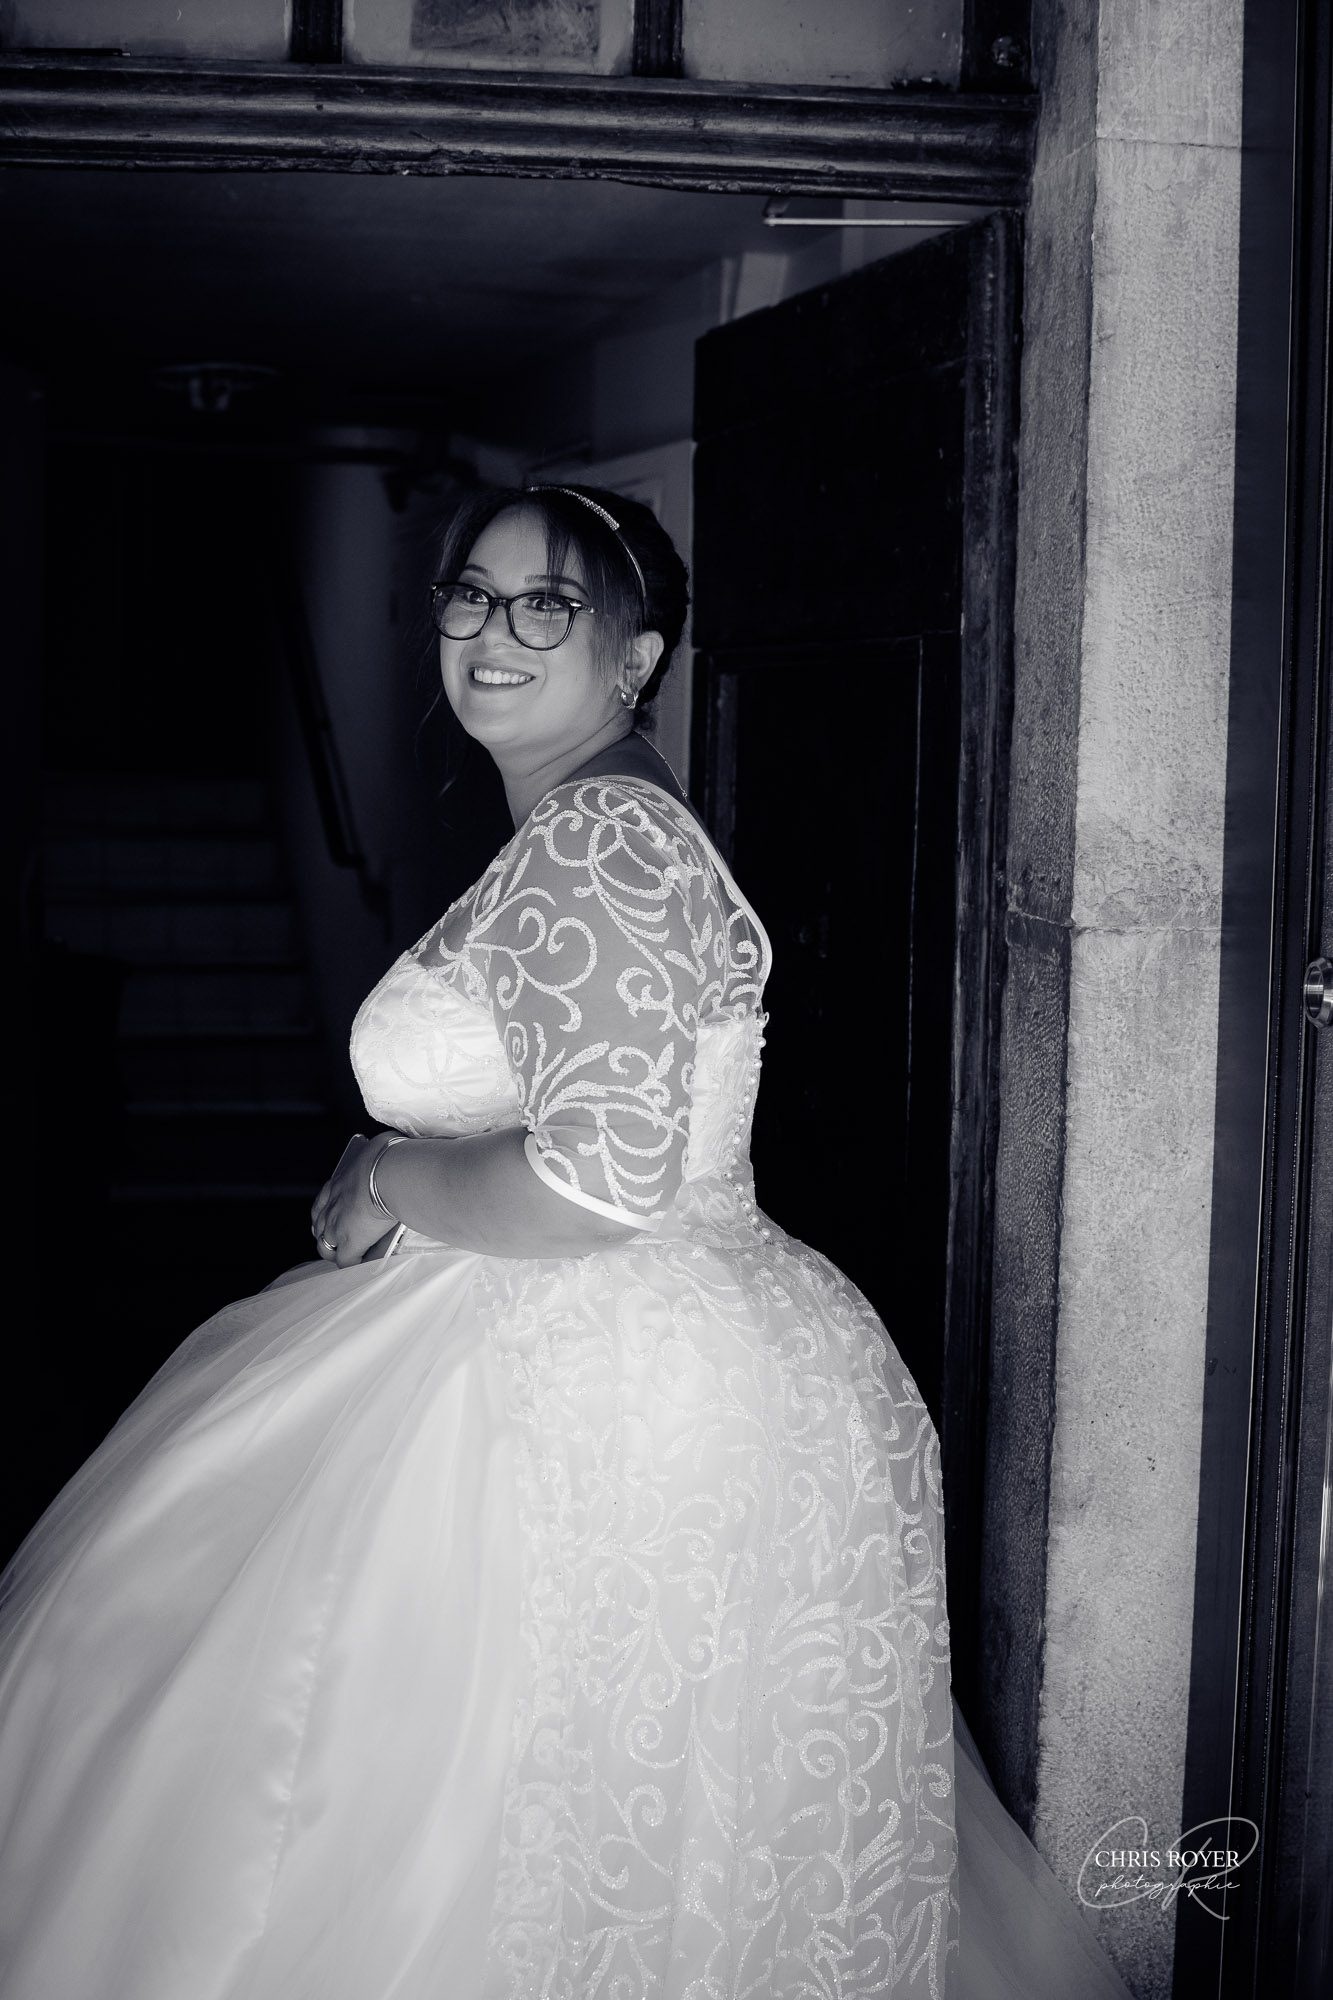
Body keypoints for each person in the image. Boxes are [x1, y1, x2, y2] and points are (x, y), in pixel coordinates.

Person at [0, 484, 1134, 1999]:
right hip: (650, 1342)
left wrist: (396, 1173)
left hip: (600, 1382)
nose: (489, 632)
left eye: (549, 604)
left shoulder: (596, 839)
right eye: (470, 595)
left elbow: (599, 1179)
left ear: (637, 654)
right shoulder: (590, 826)